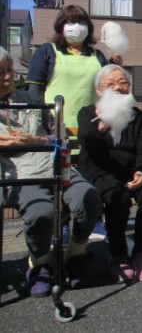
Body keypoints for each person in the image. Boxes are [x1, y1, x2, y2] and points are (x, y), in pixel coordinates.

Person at [0, 47, 101, 297]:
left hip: (53, 162)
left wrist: (34, 140)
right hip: (17, 173)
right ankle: (40, 262)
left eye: (9, 70)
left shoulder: (32, 100)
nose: (8, 76)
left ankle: (75, 253)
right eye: (0, 72)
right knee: (41, 212)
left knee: (88, 198)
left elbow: (58, 135)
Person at [77, 65, 142, 282]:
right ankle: (118, 255)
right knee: (119, 196)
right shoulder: (87, 113)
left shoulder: (137, 116)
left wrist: (141, 172)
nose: (117, 87)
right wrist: (103, 124)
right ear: (99, 90)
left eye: (123, 83)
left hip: (130, 171)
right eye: (110, 84)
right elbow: (86, 142)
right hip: (100, 171)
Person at [26, 5, 122, 128]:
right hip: (55, 128)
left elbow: (109, 90)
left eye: (81, 22)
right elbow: (34, 94)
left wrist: (115, 67)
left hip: (92, 127)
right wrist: (40, 125)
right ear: (61, 26)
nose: (77, 26)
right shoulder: (46, 51)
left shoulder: (97, 55)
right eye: (71, 22)